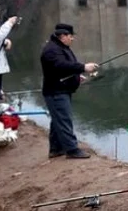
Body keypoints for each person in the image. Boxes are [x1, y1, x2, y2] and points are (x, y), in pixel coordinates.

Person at [41, 23, 99, 159]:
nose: (72, 39)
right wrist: (84, 67)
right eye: (70, 36)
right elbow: (61, 66)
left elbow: (66, 68)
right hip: (56, 92)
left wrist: (77, 77)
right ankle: (72, 150)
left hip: (62, 89)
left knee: (57, 120)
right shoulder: (51, 50)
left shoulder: (60, 47)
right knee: (64, 120)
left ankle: (56, 149)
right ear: (62, 36)